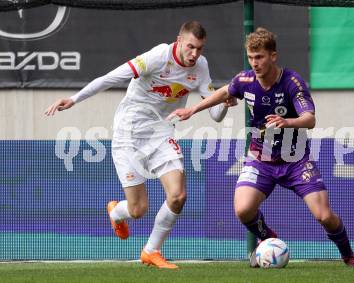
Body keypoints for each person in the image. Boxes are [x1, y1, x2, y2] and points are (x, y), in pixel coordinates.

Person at [45, 21, 234, 269]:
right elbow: (110, 77)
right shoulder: (157, 57)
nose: (194, 54)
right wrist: (74, 98)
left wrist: (225, 103)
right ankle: (115, 212)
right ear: (179, 40)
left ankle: (151, 251)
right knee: (138, 210)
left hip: (162, 133)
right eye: (190, 47)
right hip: (129, 132)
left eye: (199, 48)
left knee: (178, 196)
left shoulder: (200, 67)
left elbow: (215, 113)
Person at [170, 27, 354, 267]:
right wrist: (191, 110)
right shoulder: (245, 80)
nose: (255, 63)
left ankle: (348, 254)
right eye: (251, 57)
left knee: (324, 216)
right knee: (243, 210)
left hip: (296, 161)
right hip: (261, 160)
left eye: (259, 57)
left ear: (273, 56)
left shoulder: (292, 82)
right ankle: (269, 239)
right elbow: (223, 92)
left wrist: (288, 121)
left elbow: (310, 119)